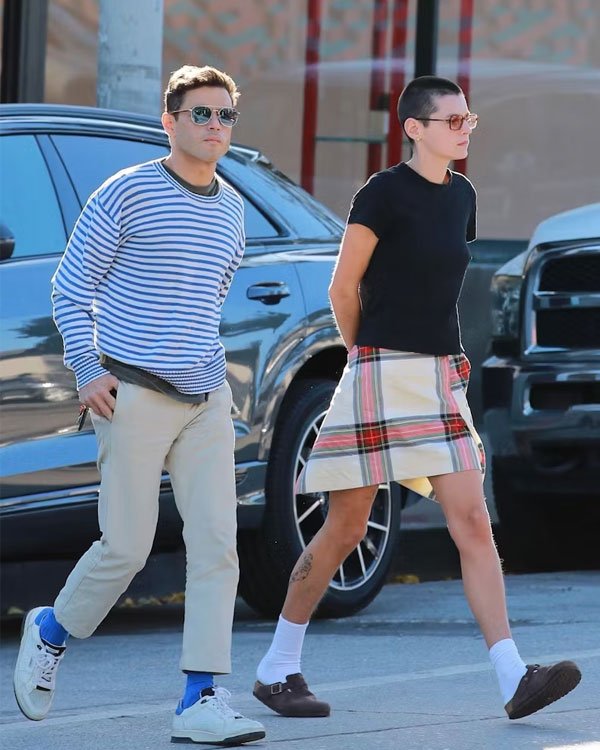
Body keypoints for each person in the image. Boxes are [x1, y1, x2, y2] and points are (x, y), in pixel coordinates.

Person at [252, 76, 581, 721]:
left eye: (468, 119)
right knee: (346, 527)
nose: (465, 128)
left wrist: (447, 356)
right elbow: (343, 287)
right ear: (416, 128)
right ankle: (277, 666)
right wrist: (364, 355)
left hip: (437, 377)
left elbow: (441, 290)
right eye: (453, 120)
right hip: (379, 368)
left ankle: (513, 674)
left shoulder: (464, 197)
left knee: (473, 521)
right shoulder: (382, 194)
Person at [13, 64, 266, 746]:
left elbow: (205, 303)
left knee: (217, 543)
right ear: (170, 121)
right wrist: (87, 370)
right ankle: (52, 630)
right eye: (201, 114)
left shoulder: (233, 209)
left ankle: (200, 697)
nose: (215, 127)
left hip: (205, 398)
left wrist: (216, 384)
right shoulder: (126, 193)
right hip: (130, 393)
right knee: (125, 545)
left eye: (225, 116)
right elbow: (70, 287)